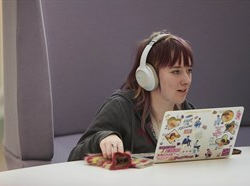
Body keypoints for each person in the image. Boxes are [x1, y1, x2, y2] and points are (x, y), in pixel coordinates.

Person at [68, 31, 195, 161]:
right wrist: (102, 138)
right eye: (176, 71)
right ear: (150, 75)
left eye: (189, 71)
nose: (186, 80)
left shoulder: (189, 114)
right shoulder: (121, 107)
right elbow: (74, 158)